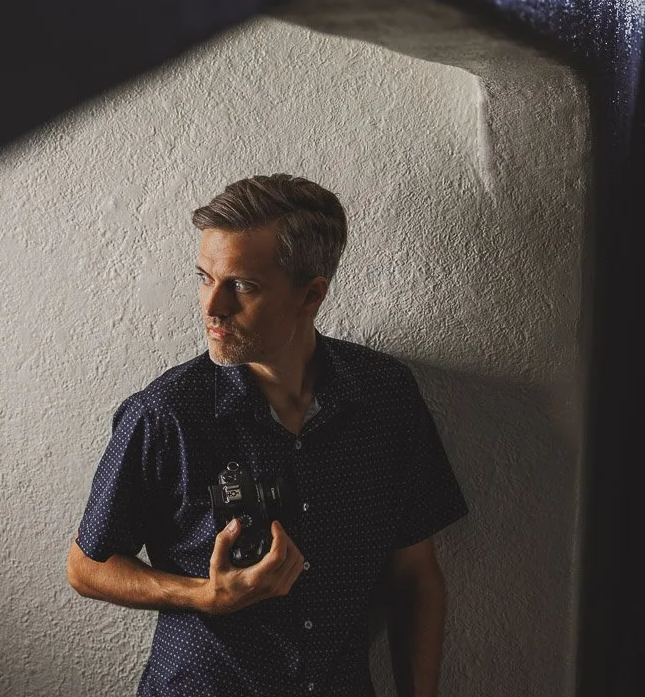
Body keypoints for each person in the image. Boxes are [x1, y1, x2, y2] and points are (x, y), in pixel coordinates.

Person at [66, 174, 468, 697]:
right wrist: (204, 595)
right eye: (205, 278)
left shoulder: (384, 397)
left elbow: (415, 574)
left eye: (242, 286)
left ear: (311, 295)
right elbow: (86, 567)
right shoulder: (167, 414)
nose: (213, 307)